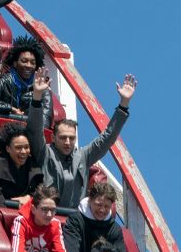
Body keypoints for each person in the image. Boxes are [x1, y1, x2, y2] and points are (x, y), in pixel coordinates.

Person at [43, 75, 137, 209]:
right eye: (63, 138)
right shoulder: (44, 152)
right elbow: (34, 131)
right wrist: (38, 96)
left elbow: (107, 138)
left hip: (73, 221)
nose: (68, 142)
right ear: (53, 138)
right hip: (47, 216)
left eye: (72, 138)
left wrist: (124, 105)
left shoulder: (81, 156)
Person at [0, 72, 50, 206]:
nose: (24, 152)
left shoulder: (32, 165)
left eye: (26, 147)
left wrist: (29, 199)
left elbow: (41, 192)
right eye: (18, 148)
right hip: (3, 213)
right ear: (8, 148)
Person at [63, 181, 131, 252]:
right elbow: (71, 251)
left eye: (106, 206)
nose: (102, 210)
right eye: (99, 204)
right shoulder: (75, 221)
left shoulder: (114, 228)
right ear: (90, 200)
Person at [11, 185, 69, 252]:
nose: (49, 215)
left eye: (53, 210)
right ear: (33, 209)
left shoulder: (55, 224)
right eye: (45, 210)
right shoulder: (21, 221)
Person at [0, 37, 44, 112]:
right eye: (24, 61)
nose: (28, 65)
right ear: (15, 63)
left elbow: (45, 116)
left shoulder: (42, 86)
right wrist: (10, 108)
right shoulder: (7, 80)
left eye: (33, 63)